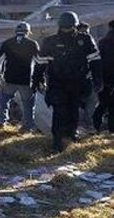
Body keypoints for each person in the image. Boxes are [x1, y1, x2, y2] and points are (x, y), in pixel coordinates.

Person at [34, 11, 102, 152]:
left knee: (66, 110)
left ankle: (66, 137)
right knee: (67, 110)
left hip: (64, 83)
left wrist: (36, 80)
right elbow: (95, 62)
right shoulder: (84, 39)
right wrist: (97, 80)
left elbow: (40, 64)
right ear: (75, 24)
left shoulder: (51, 41)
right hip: (68, 83)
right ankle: (60, 140)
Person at [0, 22, 40, 131]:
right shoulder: (32, 44)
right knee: (28, 104)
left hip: (9, 78)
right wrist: (39, 79)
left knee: (4, 100)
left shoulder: (7, 43)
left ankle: (1, 121)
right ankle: (27, 126)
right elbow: (39, 61)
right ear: (28, 32)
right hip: (25, 79)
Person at [94, 20, 114, 133]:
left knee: (102, 104)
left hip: (105, 79)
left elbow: (97, 61)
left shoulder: (102, 42)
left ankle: (95, 126)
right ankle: (112, 130)